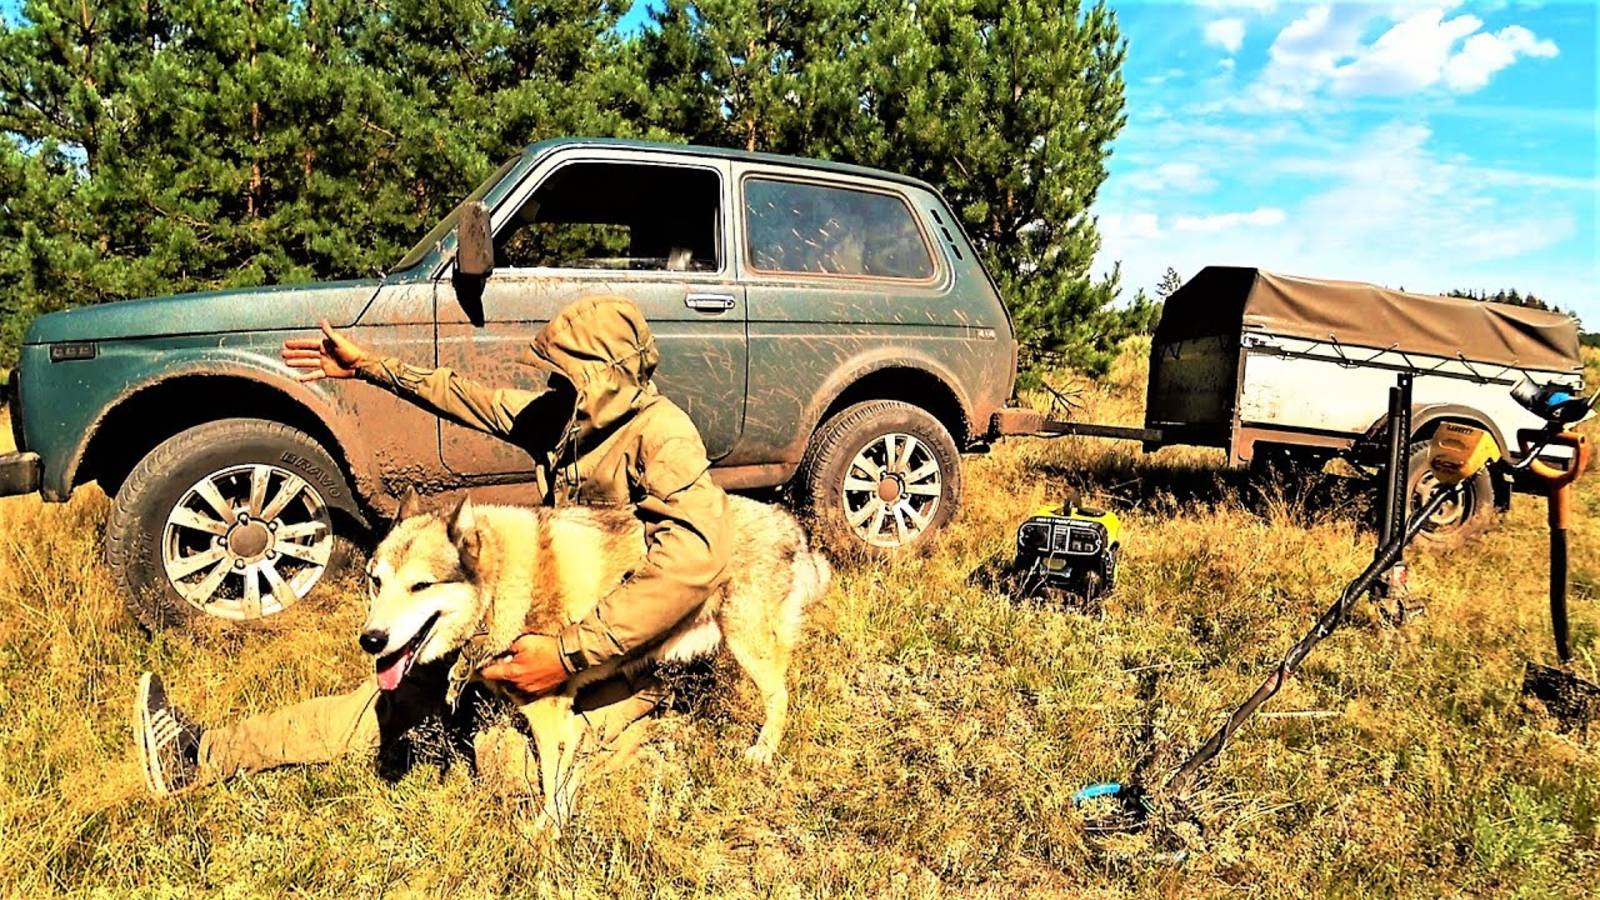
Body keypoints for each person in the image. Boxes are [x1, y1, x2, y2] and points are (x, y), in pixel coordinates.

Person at [133, 295, 731, 795]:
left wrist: (570, 654)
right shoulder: (571, 420)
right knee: (397, 693)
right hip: (542, 625)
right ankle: (201, 755)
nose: (551, 385)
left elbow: (696, 562)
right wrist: (370, 367)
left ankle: (655, 736)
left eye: (564, 374)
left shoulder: (663, 436)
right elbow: (469, 398)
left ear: (601, 378)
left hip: (626, 657)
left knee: (509, 758)